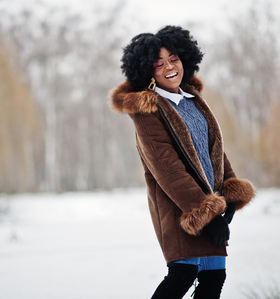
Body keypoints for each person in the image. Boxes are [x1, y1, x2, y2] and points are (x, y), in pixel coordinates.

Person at [109, 25, 255, 299]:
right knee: (183, 275)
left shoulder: (192, 99)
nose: (169, 67)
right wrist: (206, 214)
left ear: (185, 59)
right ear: (147, 71)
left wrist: (231, 190)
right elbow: (167, 168)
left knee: (214, 277)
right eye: (158, 63)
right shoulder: (148, 110)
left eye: (173, 58)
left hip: (212, 206)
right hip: (180, 210)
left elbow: (214, 150)